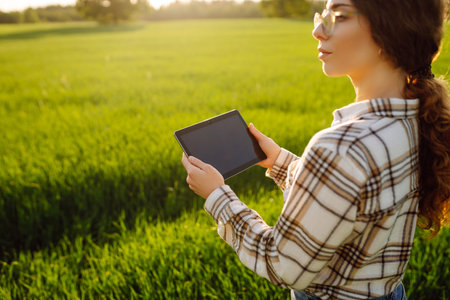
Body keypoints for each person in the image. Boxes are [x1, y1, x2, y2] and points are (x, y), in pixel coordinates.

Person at [181, 0, 450, 298]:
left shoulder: (342, 147)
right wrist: (279, 161)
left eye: (339, 16)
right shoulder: (416, 119)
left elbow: (282, 264)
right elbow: (352, 197)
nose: (318, 31)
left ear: (391, 31)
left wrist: (217, 196)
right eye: (322, 16)